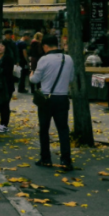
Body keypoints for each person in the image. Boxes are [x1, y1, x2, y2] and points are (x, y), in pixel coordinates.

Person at [30, 35, 75, 170]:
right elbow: (71, 79)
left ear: (45, 46)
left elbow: (35, 79)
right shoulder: (68, 58)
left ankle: (46, 159)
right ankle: (66, 160)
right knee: (63, 130)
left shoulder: (44, 59)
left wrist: (31, 75)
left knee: (44, 129)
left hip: (46, 99)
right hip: (62, 98)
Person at [0, 40, 15, 133]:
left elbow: (7, 71)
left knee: (5, 104)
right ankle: (2, 123)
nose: (0, 48)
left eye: (2, 46)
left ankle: (4, 124)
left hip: (6, 85)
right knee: (0, 104)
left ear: (5, 47)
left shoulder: (8, 58)